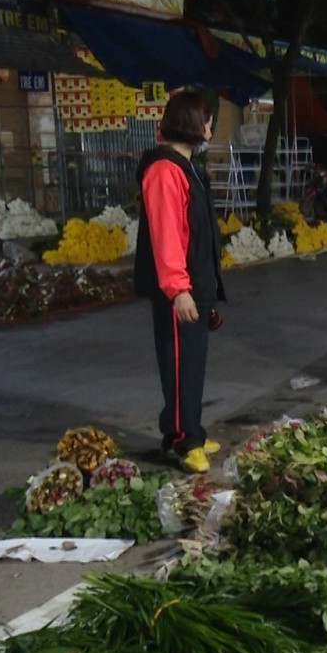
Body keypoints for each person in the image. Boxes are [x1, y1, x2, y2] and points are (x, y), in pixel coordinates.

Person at [134, 89, 227, 474]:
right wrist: (178, 289)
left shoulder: (188, 166)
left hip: (197, 284)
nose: (210, 126)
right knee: (178, 364)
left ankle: (192, 430)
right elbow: (167, 233)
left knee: (193, 362)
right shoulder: (164, 169)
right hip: (179, 289)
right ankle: (182, 439)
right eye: (206, 118)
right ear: (191, 122)